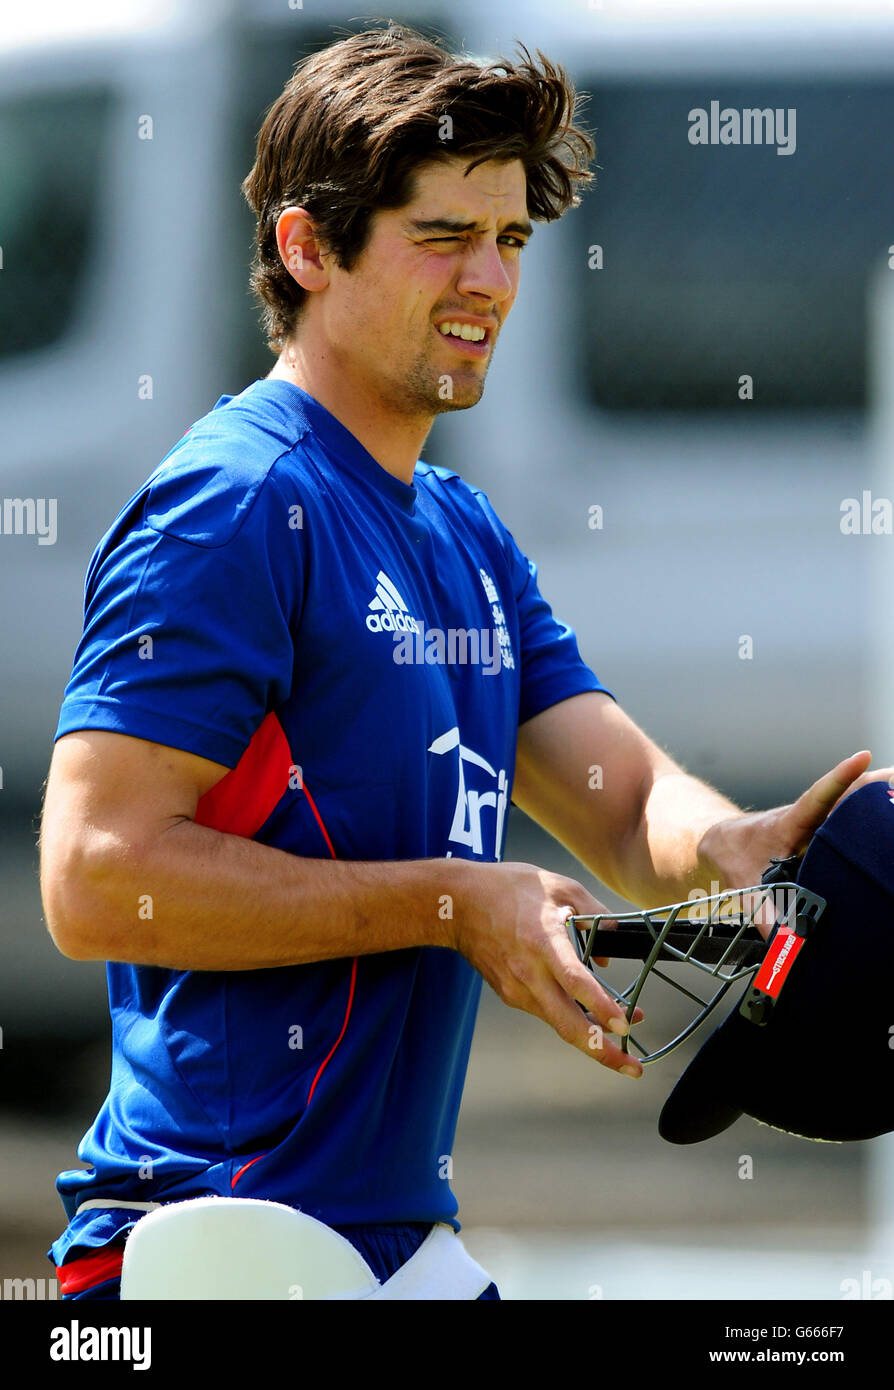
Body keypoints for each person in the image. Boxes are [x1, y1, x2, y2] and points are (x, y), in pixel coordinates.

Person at [37, 22, 886, 1301]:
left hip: (388, 1245)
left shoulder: (463, 533)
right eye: (443, 238)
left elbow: (626, 797)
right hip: (209, 1246)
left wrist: (731, 846)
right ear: (307, 248)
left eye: (512, 242)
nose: (489, 279)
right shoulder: (233, 505)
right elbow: (93, 879)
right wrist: (451, 899)